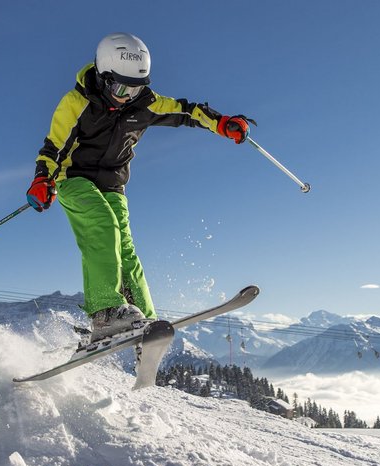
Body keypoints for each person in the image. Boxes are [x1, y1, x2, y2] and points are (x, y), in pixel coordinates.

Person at [26, 32, 251, 354]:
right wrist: (42, 180)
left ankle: (142, 322)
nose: (128, 95)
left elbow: (186, 111)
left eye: (136, 87)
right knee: (103, 228)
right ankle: (105, 314)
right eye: (120, 87)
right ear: (104, 78)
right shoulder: (76, 103)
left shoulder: (145, 104)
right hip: (73, 178)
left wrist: (221, 123)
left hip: (113, 183)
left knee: (125, 251)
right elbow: (52, 148)